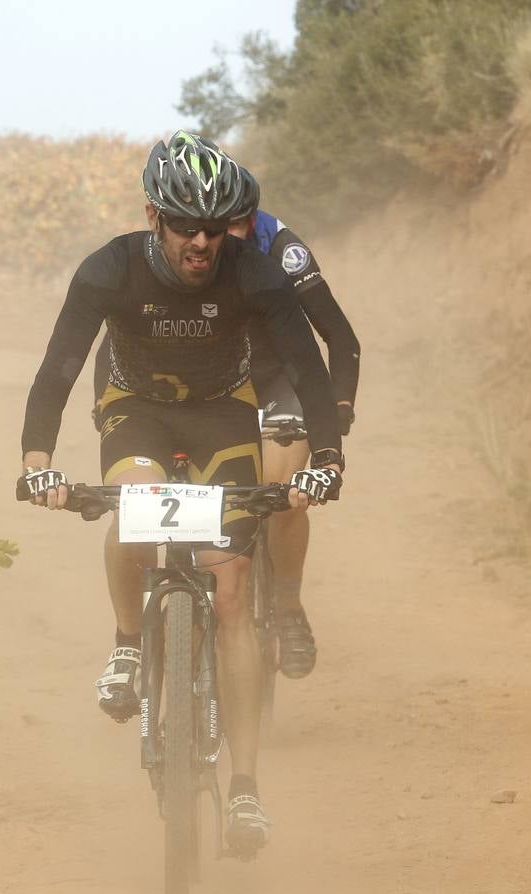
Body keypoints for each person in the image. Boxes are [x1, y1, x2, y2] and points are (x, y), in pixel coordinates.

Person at [19, 131, 347, 853]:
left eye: (212, 228)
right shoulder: (108, 271)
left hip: (224, 413)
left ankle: (245, 791)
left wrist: (327, 457)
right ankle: (129, 644)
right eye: (184, 226)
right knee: (132, 513)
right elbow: (58, 370)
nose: (201, 242)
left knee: (231, 591)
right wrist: (36, 461)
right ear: (152, 217)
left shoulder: (255, 271)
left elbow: (309, 368)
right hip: (135, 407)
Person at [89, 168, 361, 678]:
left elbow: (340, 339)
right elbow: (123, 336)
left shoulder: (283, 252)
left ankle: (286, 606)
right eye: (202, 226)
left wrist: (337, 409)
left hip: (277, 377)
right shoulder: (172, 256)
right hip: (207, 384)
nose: (212, 243)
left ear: (251, 220)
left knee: (280, 491)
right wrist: (108, 405)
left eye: (228, 227)